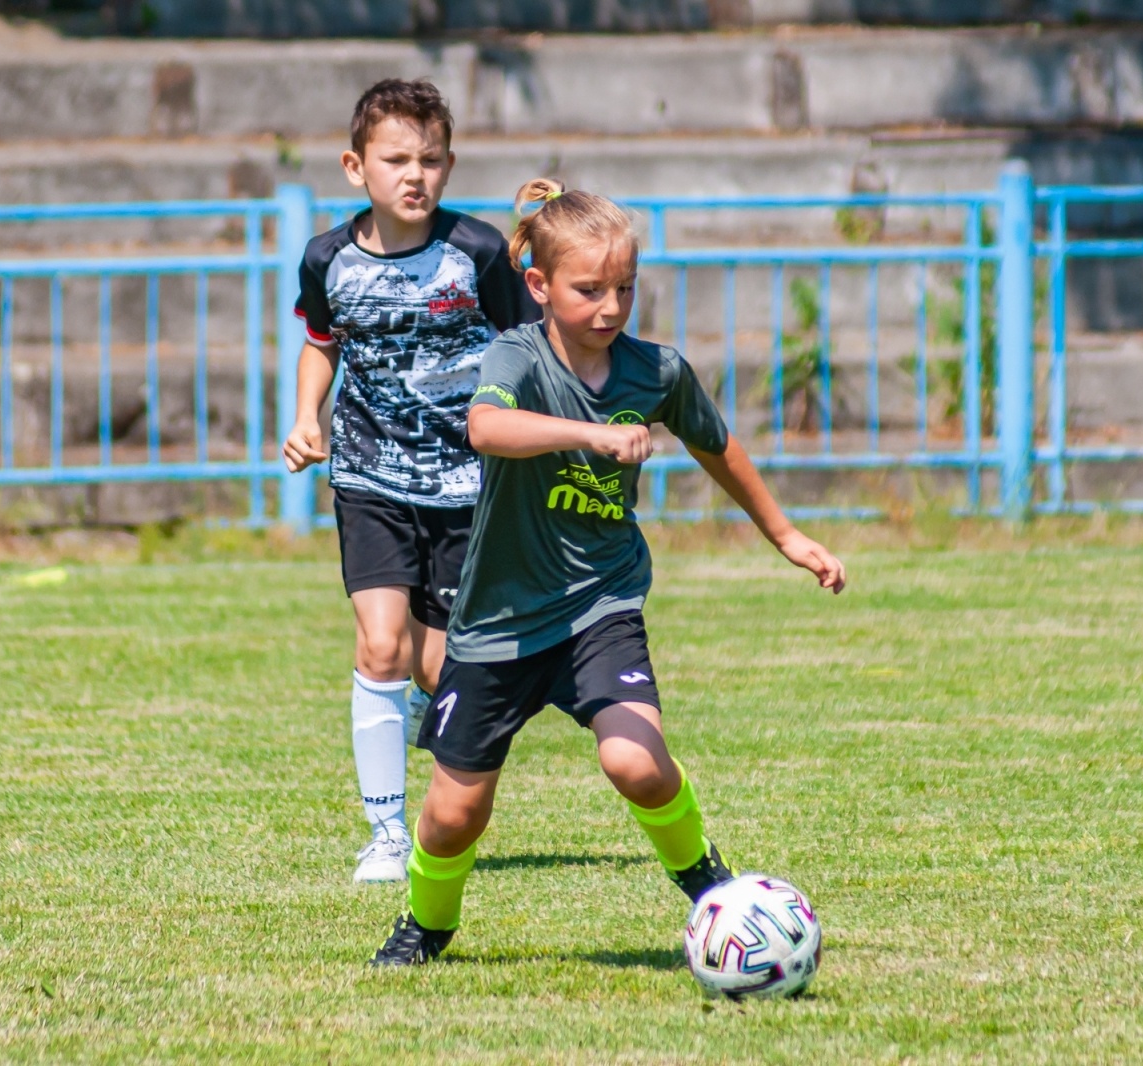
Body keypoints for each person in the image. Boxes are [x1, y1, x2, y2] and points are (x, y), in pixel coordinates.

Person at [371, 178, 847, 965]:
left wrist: (786, 534)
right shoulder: (516, 355)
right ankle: (428, 924)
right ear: (540, 287)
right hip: (497, 620)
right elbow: (485, 426)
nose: (610, 306)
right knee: (454, 817)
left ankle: (707, 885)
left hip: (601, 601)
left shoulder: (652, 372)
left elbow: (715, 442)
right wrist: (588, 439)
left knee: (635, 760)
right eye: (588, 289)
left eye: (625, 287)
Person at [284, 80, 539, 883]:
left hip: (468, 486)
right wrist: (305, 417)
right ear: (356, 167)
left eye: (430, 160)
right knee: (381, 643)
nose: (414, 175)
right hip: (368, 476)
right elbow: (321, 341)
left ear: (450, 165)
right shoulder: (328, 257)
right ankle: (388, 835)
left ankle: (435, 724)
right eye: (396, 159)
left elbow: (523, 345)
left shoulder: (480, 251)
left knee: (441, 669)